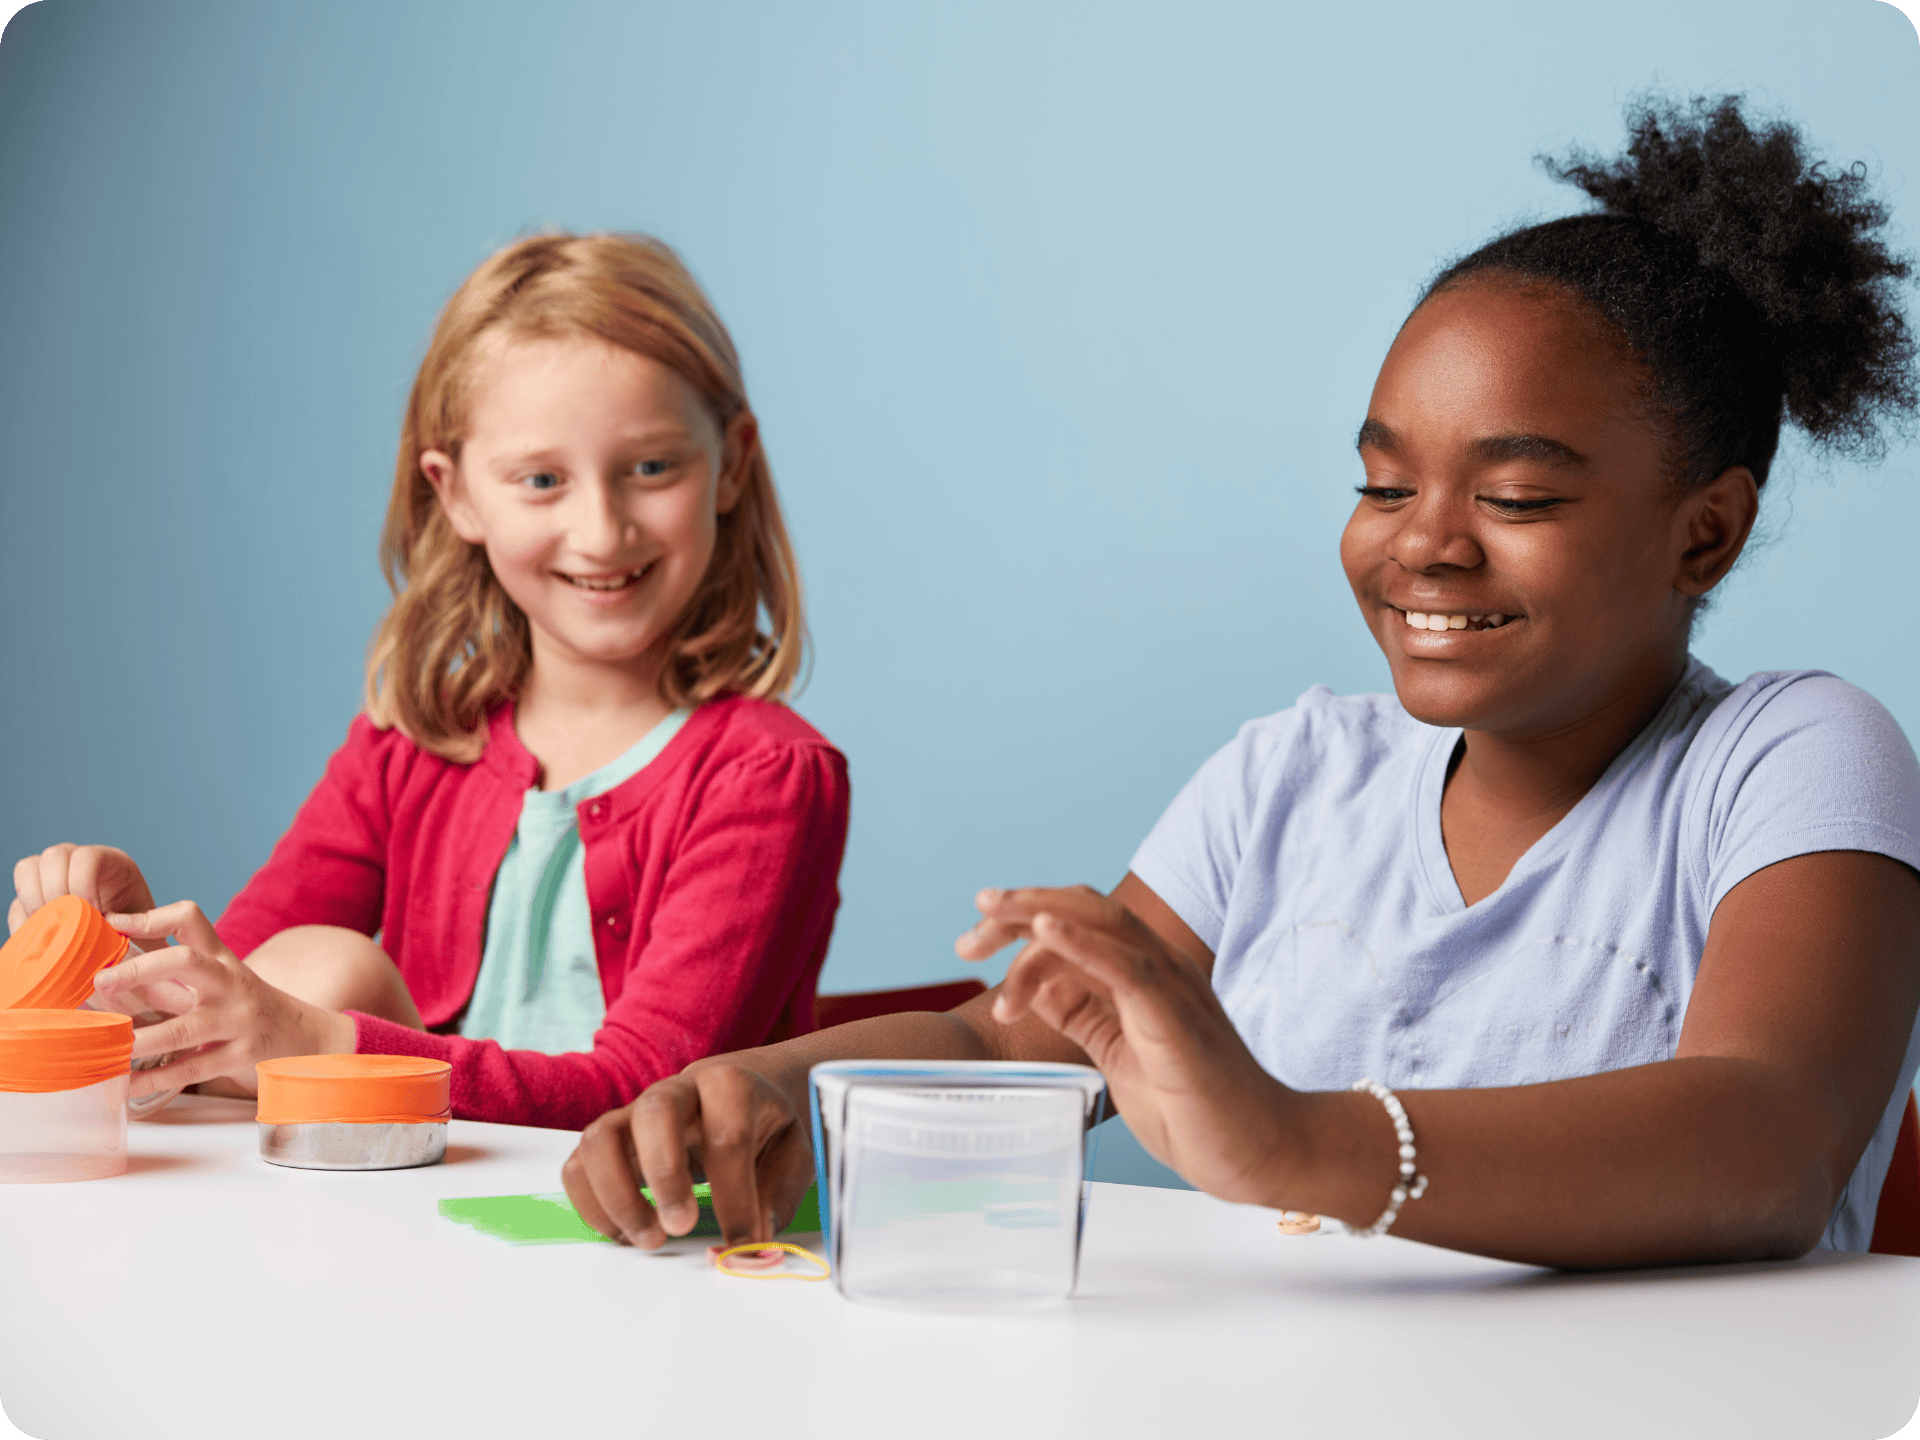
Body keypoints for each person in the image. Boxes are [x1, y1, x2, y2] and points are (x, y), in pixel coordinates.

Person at [560, 96, 1920, 1268]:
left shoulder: (1791, 756)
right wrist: (756, 1088)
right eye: (1384, 483)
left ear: (1707, 531)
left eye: (1514, 495)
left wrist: (1299, 1141)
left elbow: (1772, 1134)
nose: (1427, 544)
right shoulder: (1296, 775)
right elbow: (1014, 1052)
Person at [7, 233, 850, 1129]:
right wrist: (136, 948)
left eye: (651, 468)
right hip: (420, 1220)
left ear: (732, 464)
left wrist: (328, 1043)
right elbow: (245, 995)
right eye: (541, 480)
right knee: (309, 972)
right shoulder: (410, 745)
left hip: (643, 1230)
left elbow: (646, 1093)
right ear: (457, 496)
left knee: (335, 983)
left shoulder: (769, 779)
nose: (602, 531)